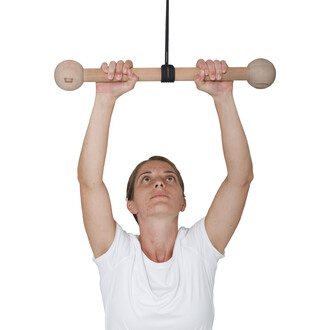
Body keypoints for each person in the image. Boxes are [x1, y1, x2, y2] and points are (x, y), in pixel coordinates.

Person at [78, 59, 253, 329]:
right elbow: (90, 182)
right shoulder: (116, 255)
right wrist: (104, 99)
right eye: (146, 179)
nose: (159, 183)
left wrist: (224, 98)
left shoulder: (198, 250)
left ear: (183, 202)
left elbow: (240, 180)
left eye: (169, 178)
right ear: (131, 204)